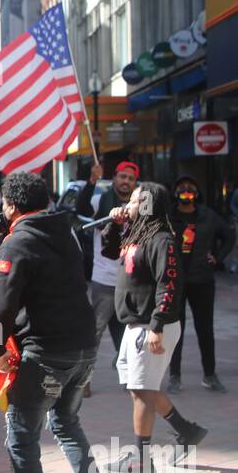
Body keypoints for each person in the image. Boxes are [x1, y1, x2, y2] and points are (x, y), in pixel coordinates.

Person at [0, 172, 117, 473]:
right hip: (83, 348)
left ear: (11, 205)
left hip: (46, 353)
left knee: (22, 437)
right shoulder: (68, 231)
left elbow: (3, 304)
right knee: (66, 423)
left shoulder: (19, 241)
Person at [100, 182, 208, 473]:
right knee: (139, 387)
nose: (129, 204)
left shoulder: (162, 240)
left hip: (150, 325)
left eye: (135, 201)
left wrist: (157, 326)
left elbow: (170, 285)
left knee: (142, 389)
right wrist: (114, 223)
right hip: (134, 325)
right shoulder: (136, 233)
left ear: (147, 206)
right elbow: (109, 251)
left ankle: (141, 459)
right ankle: (186, 431)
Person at [167, 176, 233, 394]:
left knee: (205, 329)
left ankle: (209, 375)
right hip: (175, 280)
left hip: (202, 280)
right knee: (175, 330)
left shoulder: (208, 216)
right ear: (175, 192)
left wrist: (218, 257)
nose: (186, 191)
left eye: (191, 187)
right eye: (182, 187)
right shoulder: (168, 216)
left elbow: (229, 235)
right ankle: (174, 376)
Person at [76, 160, 139, 387]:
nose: (126, 182)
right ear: (113, 179)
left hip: (131, 282)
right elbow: (80, 208)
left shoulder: (141, 205)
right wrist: (92, 181)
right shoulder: (99, 200)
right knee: (94, 334)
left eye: (131, 179)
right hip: (104, 281)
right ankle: (83, 383)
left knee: (128, 336)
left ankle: (129, 379)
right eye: (122, 177)